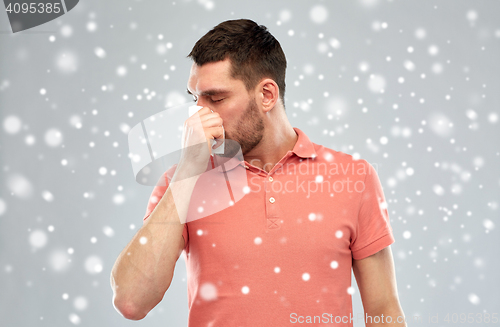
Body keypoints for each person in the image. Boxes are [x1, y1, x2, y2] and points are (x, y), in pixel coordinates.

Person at [111, 19, 407, 326]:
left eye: (215, 98)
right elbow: (132, 302)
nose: (197, 115)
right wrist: (188, 171)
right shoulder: (181, 182)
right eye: (194, 98)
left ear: (267, 95)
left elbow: (384, 308)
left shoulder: (354, 177)